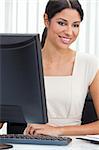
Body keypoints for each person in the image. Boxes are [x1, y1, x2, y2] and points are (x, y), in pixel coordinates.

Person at [1, 0, 99, 136]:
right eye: (62, 23)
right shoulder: (23, 61)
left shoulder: (89, 63)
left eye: (75, 25)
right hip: (30, 143)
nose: (69, 32)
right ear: (46, 20)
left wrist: (58, 130)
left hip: (74, 144)